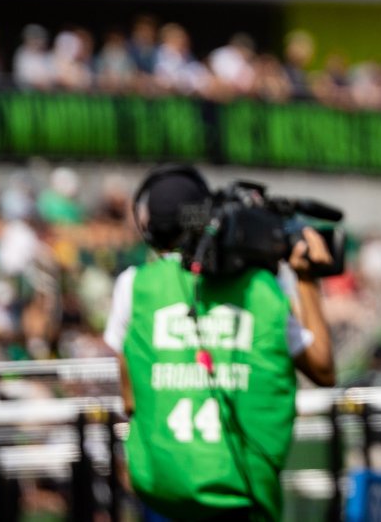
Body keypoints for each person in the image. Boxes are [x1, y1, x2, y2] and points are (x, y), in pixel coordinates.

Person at [103, 166, 335, 522]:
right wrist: (306, 280)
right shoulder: (259, 289)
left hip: (165, 488)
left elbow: (131, 398)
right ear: (204, 217)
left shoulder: (133, 286)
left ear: (149, 229)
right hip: (242, 493)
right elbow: (322, 368)